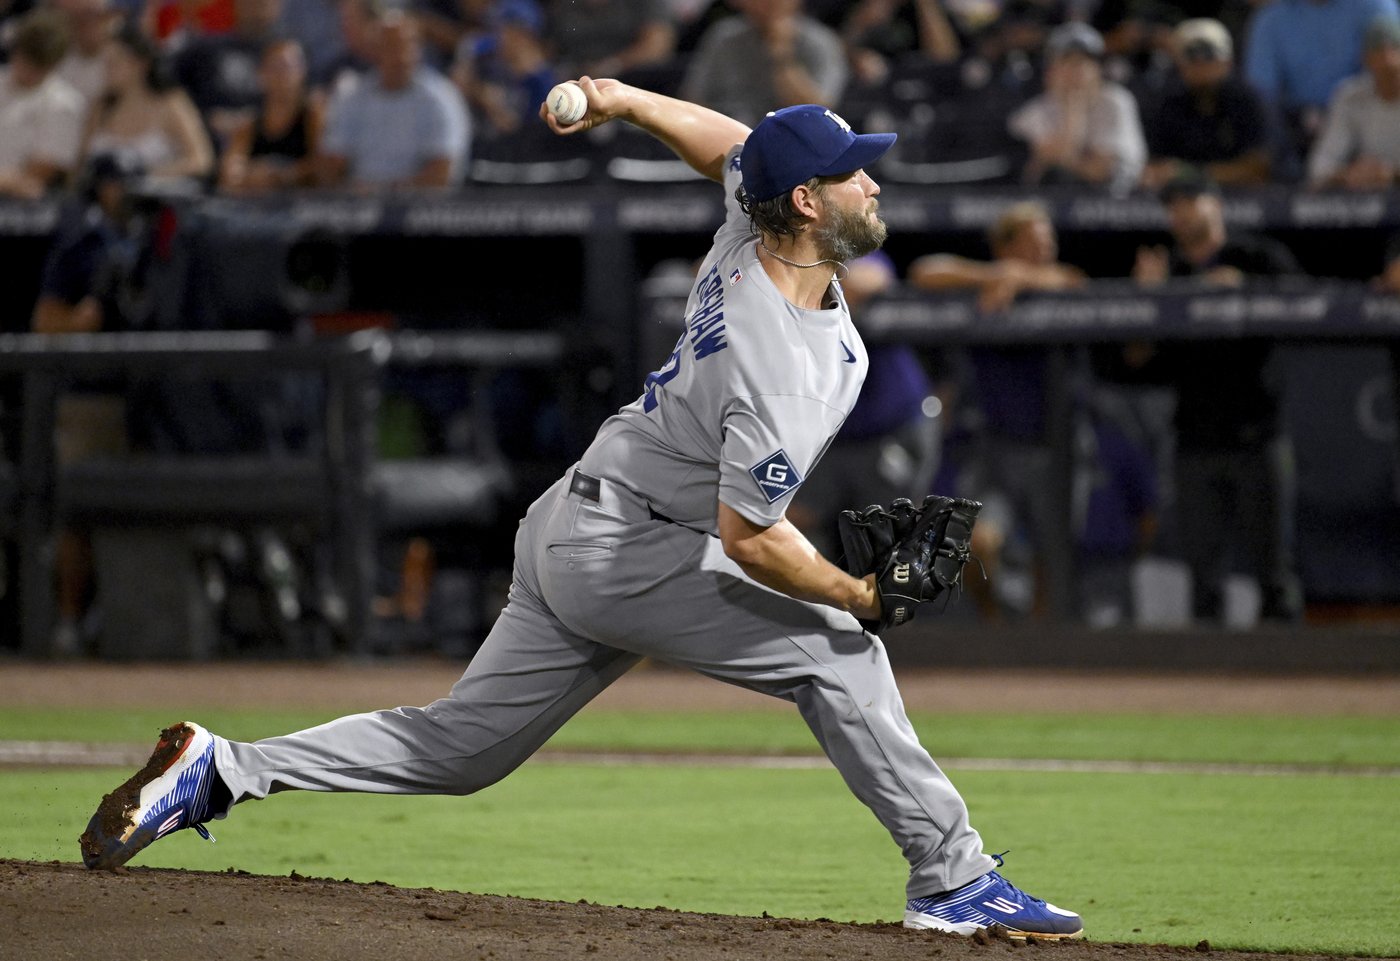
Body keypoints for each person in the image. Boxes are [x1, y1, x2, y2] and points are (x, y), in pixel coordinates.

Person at [81, 78, 1084, 942]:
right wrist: (855, 591)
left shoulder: (756, 228)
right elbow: (750, 539)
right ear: (809, 203)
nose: (875, 180)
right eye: (854, 171)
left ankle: (223, 770)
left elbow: (723, 144)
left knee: (458, 749)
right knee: (838, 653)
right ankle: (952, 878)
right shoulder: (782, 360)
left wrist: (618, 100)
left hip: (580, 516)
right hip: (629, 547)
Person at [1121, 167, 1306, 624]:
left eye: (1190, 200)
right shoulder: (1169, 271)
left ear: (1216, 203)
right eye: (1173, 206)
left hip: (1257, 429)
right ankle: (1207, 688)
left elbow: (1307, 304)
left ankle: (1294, 682)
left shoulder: (1256, 256)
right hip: (1194, 436)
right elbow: (1137, 360)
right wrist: (1151, 301)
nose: (1181, 213)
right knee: (1203, 574)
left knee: (1272, 569)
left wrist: (1244, 291)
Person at [907, 201, 1088, 620]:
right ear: (1005, 246)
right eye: (1033, 242)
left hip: (1053, 445)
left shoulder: (1054, 283)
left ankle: (1041, 647)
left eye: (1049, 241)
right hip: (992, 446)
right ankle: (996, 625)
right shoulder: (985, 284)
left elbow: (1074, 282)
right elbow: (924, 271)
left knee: (1053, 555)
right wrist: (997, 275)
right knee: (974, 542)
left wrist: (1022, 277)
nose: (1046, 249)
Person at [785, 249, 942, 562]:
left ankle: (885, 608)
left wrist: (800, 283)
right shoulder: (778, 260)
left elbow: (869, 279)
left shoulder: (845, 255)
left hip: (889, 429)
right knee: (789, 522)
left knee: (890, 540)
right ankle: (817, 606)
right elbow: (711, 273)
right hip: (827, 438)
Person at [314, 10, 470, 190]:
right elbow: (332, 163)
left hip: (420, 209)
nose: (400, 54)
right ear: (375, 49)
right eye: (391, 45)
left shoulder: (441, 98)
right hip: (358, 209)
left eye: (407, 45)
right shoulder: (352, 96)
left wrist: (386, 192)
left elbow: (441, 175)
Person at [1242, 0, 1399, 160]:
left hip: (1357, 114)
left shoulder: (1375, 5)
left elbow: (1387, 72)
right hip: (1294, 125)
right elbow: (1260, 92)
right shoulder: (1271, 17)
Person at [1006, 20, 1147, 193]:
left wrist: (1059, 157)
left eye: (1083, 62)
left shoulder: (1116, 101)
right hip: (1054, 204)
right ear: (1051, 69)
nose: (1075, 70)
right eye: (1066, 61)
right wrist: (1073, 111)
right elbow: (1037, 174)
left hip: (1118, 205)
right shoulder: (1035, 110)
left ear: (1098, 68)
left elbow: (1101, 172)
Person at [79, 20, 215, 188]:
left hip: (156, 206)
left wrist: (145, 174)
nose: (107, 70)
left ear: (140, 64)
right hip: (97, 208)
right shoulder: (100, 107)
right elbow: (80, 166)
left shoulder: (171, 103)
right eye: (105, 63)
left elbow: (201, 160)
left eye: (115, 63)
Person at [1141, 17, 1273, 190]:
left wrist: (1190, 173)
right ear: (1180, 64)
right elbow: (1155, 166)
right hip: (1183, 199)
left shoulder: (1248, 100)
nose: (1201, 66)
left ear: (1228, 62)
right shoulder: (1168, 102)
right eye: (1192, 57)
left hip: (1245, 201)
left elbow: (1259, 168)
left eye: (1209, 56)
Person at [681, 0, 849, 128]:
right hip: (725, 135)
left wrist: (782, 54)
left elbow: (818, 113)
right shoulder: (723, 37)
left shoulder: (821, 42)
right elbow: (693, 100)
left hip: (791, 141)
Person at [217, 36, 324, 192]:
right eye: (274, 67)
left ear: (303, 71)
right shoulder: (249, 126)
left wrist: (283, 175)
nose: (281, 75)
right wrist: (246, 175)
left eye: (288, 67)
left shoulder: (313, 115)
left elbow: (324, 166)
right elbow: (229, 174)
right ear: (261, 74)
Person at [1306, 16, 1400, 190]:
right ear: (1366, 59)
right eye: (1378, 51)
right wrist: (1348, 174)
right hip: (1363, 202)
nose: (1387, 59)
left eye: (1395, 49)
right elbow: (1320, 167)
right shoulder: (1350, 96)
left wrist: (1392, 175)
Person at [0, 8, 85, 199]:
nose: (26, 70)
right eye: (23, 59)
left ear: (52, 65)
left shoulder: (64, 104)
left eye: (36, 66)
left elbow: (35, 176)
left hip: (18, 208)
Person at [545, 0, 677, 82]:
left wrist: (611, 66)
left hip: (633, 81)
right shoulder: (565, 4)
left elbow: (657, 45)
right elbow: (547, 47)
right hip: (573, 80)